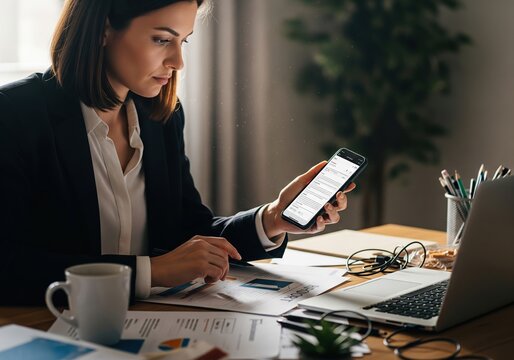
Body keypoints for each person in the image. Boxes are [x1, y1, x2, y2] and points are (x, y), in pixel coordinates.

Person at [0, 0, 355, 306]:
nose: (178, 61)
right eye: (161, 39)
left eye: (183, 41)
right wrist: (152, 271)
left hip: (148, 326)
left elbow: (189, 233)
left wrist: (273, 218)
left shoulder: (160, 118)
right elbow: (9, 266)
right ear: (103, 29)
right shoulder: (15, 115)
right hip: (47, 327)